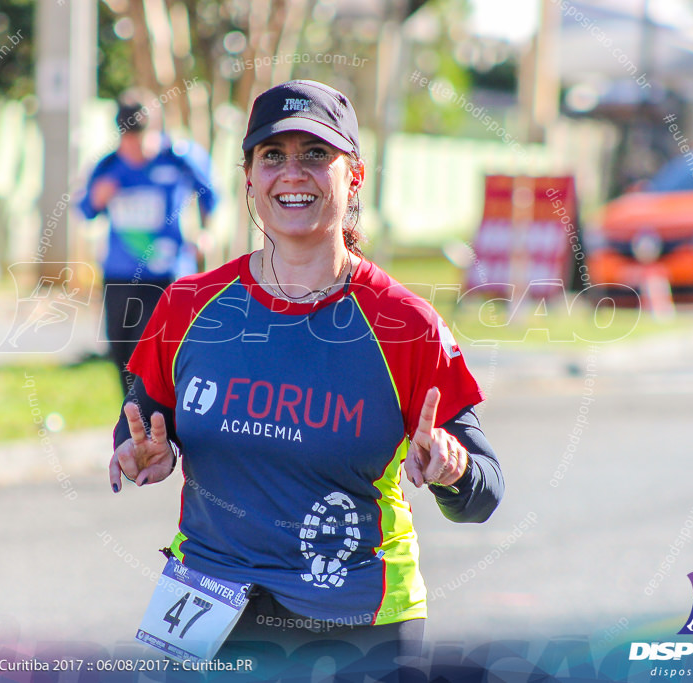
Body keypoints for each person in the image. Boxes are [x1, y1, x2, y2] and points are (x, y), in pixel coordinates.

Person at [108, 80, 504, 677]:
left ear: (356, 177)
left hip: (358, 622)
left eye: (316, 154)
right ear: (249, 178)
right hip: (205, 606)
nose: (293, 173)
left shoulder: (404, 324)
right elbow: (138, 425)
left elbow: (485, 491)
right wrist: (140, 454)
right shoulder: (188, 306)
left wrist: (452, 469)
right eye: (273, 156)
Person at [79, 89, 219, 396]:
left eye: (140, 138)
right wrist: (98, 198)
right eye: (127, 139)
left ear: (155, 130)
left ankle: (158, 420)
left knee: (153, 353)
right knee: (122, 352)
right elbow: (86, 210)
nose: (134, 147)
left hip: (165, 274)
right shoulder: (108, 166)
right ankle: (130, 418)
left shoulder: (181, 158)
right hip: (119, 273)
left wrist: (205, 233)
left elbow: (212, 195)